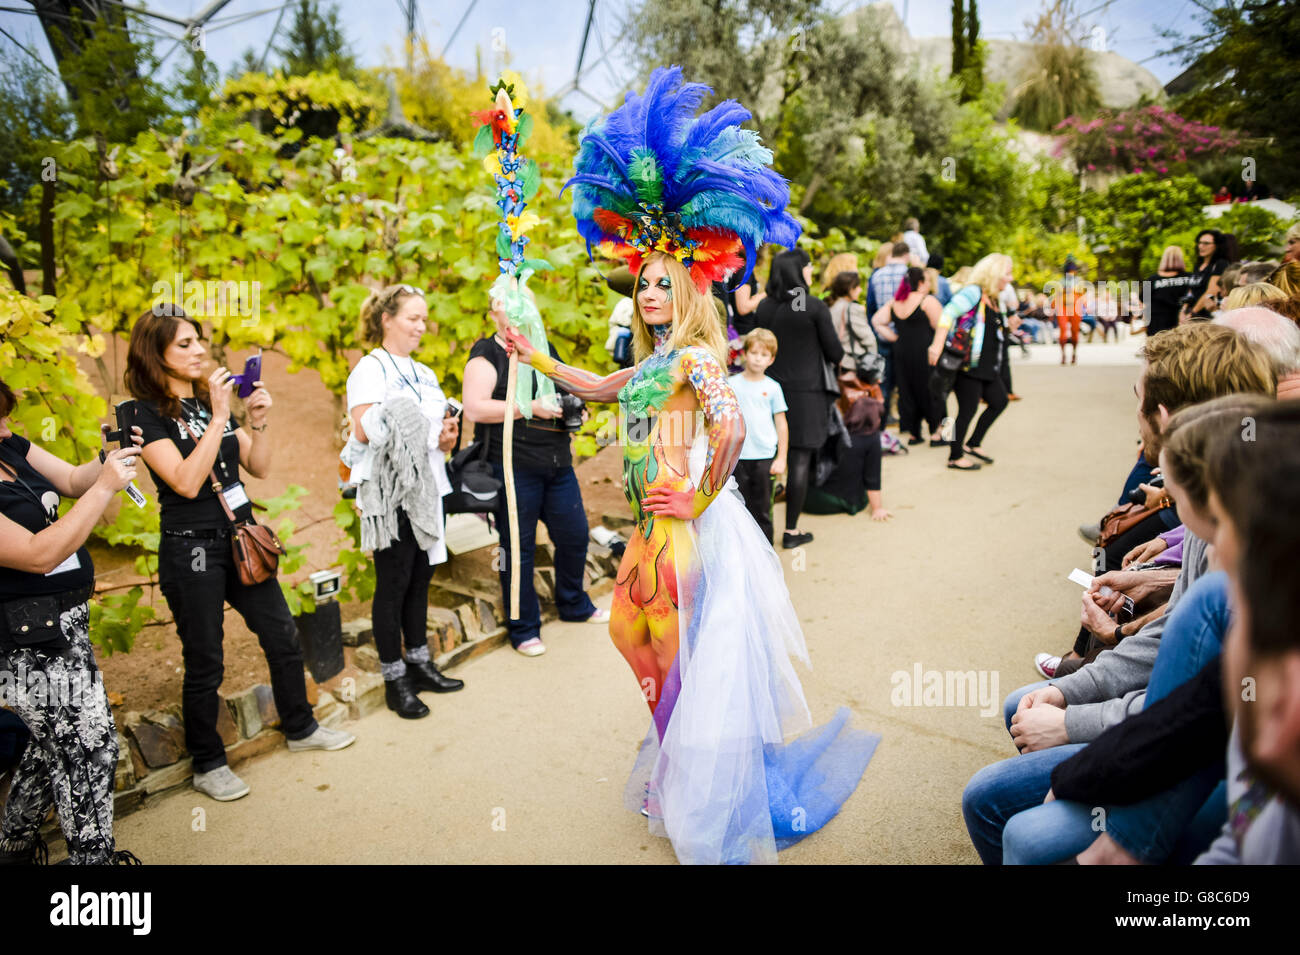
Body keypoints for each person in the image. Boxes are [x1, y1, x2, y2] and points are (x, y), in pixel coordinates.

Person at [518, 66, 878, 864]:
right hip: (654, 522)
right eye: (641, 283)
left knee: (668, 645)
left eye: (660, 284)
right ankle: (677, 760)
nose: (647, 292)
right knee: (637, 636)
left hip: (691, 526)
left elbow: (727, 428)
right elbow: (600, 383)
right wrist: (530, 352)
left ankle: (694, 781)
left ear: (683, 288)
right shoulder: (651, 361)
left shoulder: (701, 357)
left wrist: (701, 493)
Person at [129, 306, 354, 804]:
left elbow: (258, 466)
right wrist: (220, 414)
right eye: (184, 344)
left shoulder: (212, 406)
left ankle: (301, 727)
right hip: (192, 550)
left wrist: (258, 421)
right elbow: (186, 482)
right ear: (154, 353)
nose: (199, 350)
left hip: (241, 537)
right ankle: (209, 764)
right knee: (206, 658)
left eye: (199, 340)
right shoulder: (141, 415)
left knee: (281, 635)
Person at [0, 378, 141, 864]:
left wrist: (107, 459)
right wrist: (105, 488)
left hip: (66, 625)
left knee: (52, 743)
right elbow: (39, 554)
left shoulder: (10, 446)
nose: (5, 429)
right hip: (20, 639)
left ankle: (12, 846)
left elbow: (73, 481)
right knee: (92, 745)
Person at [462, 291, 607, 657]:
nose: (516, 311)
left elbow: (563, 390)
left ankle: (574, 604)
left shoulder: (543, 349)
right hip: (511, 467)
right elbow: (475, 409)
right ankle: (523, 627)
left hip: (557, 464)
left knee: (574, 536)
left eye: (524, 303)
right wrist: (531, 408)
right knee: (518, 549)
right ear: (493, 311)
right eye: (507, 304)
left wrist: (574, 411)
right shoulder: (486, 354)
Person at [344, 285, 465, 717]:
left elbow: (431, 437)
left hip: (431, 488)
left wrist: (446, 437)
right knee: (392, 585)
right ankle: (395, 680)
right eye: (413, 317)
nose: (421, 325)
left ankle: (420, 664)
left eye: (424, 317)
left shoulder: (425, 373)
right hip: (392, 494)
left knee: (420, 580)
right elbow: (362, 431)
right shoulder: (370, 370)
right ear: (386, 319)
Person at [755, 248, 844, 548]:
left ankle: (759, 531)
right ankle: (791, 531)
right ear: (798, 271)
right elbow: (835, 352)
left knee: (767, 460)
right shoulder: (813, 307)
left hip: (768, 394)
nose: (810, 273)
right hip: (807, 396)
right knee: (799, 461)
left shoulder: (764, 308)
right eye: (807, 268)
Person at [927, 253, 1014, 471]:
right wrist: (936, 346)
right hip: (967, 365)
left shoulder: (994, 298)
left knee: (999, 401)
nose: (1010, 279)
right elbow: (947, 314)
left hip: (988, 366)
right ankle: (954, 456)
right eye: (1007, 273)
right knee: (966, 410)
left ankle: (973, 443)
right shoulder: (973, 292)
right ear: (994, 274)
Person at [727, 329, 788, 544]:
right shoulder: (731, 385)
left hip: (764, 457)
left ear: (771, 359)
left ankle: (766, 554)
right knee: (738, 508)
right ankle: (742, 554)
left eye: (763, 355)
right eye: (754, 353)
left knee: (763, 509)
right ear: (745, 353)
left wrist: (781, 458)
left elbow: (781, 424)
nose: (757, 359)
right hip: (737, 457)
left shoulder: (773, 388)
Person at [872, 266, 943, 446]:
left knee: (908, 391)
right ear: (920, 282)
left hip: (902, 352)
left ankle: (914, 433)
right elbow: (940, 326)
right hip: (926, 352)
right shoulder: (928, 301)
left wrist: (895, 338)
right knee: (935, 391)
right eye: (926, 280)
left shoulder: (895, 302)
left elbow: (877, 321)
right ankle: (942, 434)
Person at [866, 242, 911, 422]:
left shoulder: (877, 276)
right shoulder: (910, 275)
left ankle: (882, 422)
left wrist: (876, 331)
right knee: (906, 382)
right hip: (905, 336)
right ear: (906, 255)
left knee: (884, 382)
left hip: (882, 334)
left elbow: (870, 308)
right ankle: (907, 423)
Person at [825, 270, 876, 376]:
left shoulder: (831, 306)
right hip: (852, 364)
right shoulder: (852, 308)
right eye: (857, 287)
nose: (860, 290)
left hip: (837, 364)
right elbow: (868, 338)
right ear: (850, 289)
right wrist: (873, 362)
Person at [1143, 245, 1193, 337]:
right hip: (1182, 323)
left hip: (1157, 326)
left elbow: (1144, 303)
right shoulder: (1190, 277)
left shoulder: (1152, 279)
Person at [1183, 229, 1229, 321]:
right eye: (1199, 243)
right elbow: (1190, 291)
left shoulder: (1220, 264)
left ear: (1216, 246)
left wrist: (1193, 313)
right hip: (1191, 315)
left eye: (1206, 243)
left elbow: (1212, 291)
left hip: (1207, 316)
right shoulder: (1198, 265)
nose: (1201, 246)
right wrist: (1183, 310)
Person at [1055, 259, 1087, 364]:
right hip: (1063, 307)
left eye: (1073, 271)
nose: (1071, 273)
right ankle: (1063, 354)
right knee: (1063, 331)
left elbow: (1082, 296)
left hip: (1075, 308)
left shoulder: (1079, 281)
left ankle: (1074, 353)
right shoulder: (1061, 281)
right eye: (1069, 271)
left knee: (1075, 332)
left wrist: (1084, 306)